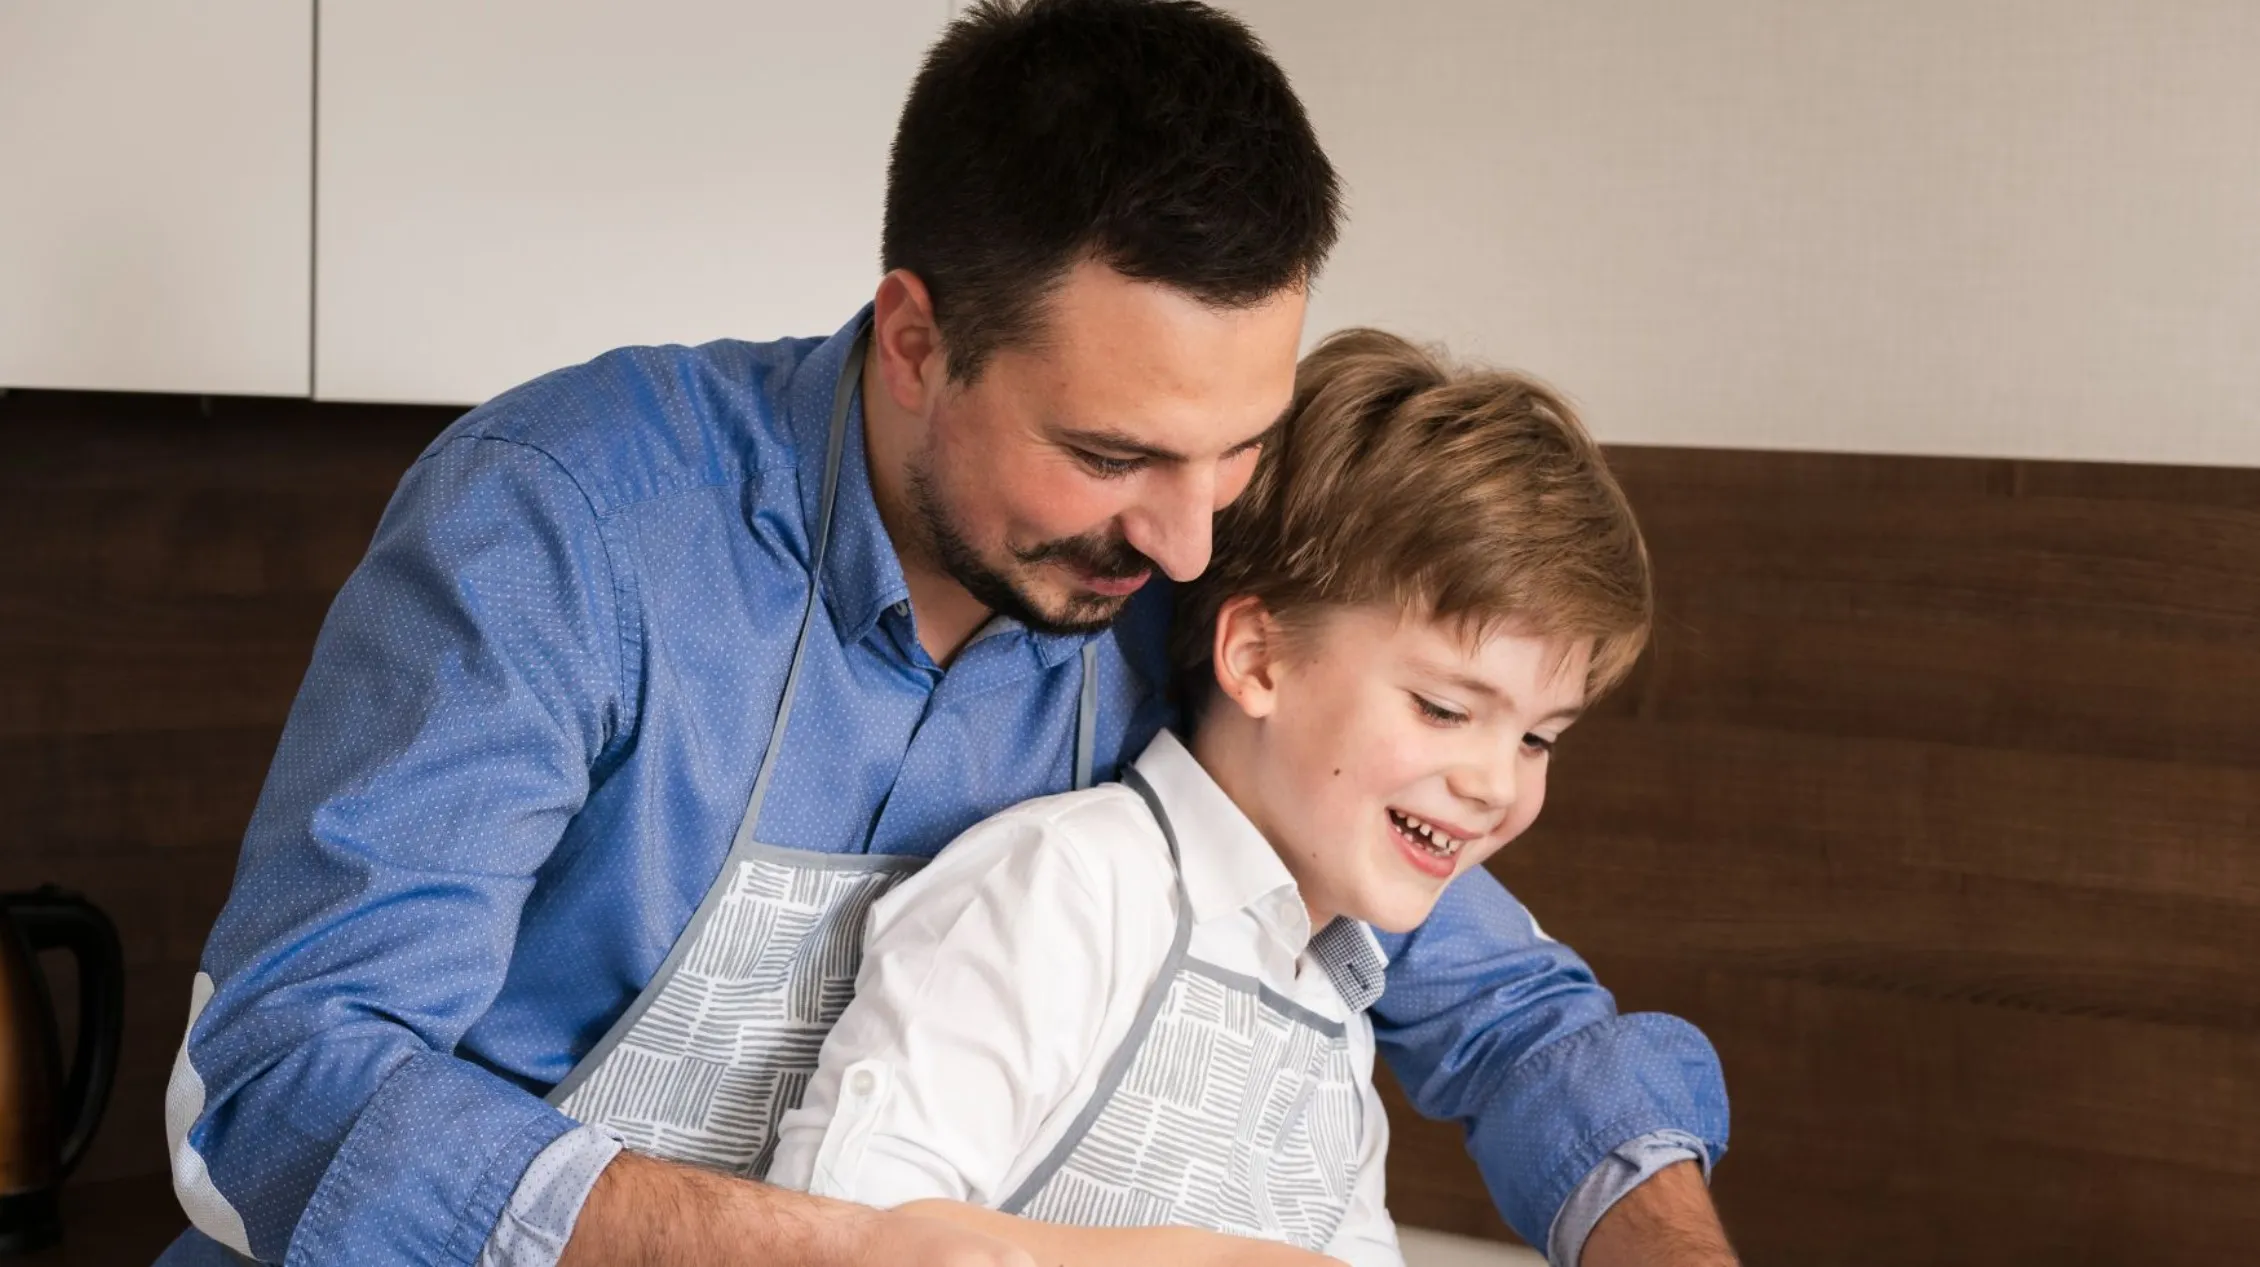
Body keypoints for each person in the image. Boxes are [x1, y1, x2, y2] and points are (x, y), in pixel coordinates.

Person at [156, 2, 1730, 1265]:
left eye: (1237, 446)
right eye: (1111, 456)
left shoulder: (1177, 582)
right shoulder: (567, 523)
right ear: (917, 339)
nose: (1191, 537)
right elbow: (285, 1081)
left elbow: (1502, 1008)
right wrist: (877, 1248)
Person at [767, 329, 1685, 1267]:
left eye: (1538, 738)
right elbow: (839, 1230)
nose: (1496, 785)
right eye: (1444, 708)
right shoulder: (1069, 890)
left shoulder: (1333, 1005)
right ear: (1258, 658)